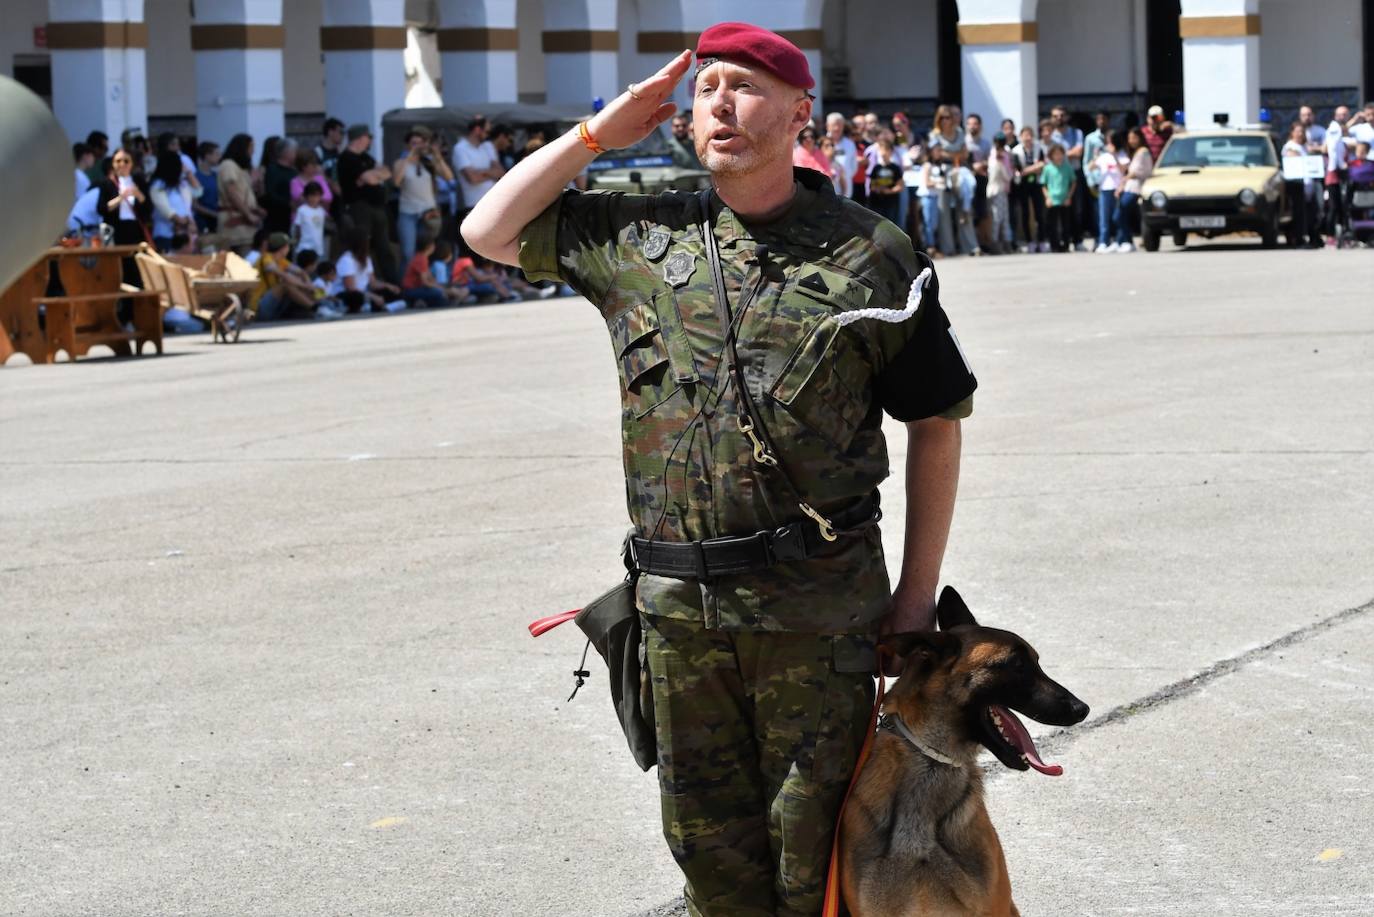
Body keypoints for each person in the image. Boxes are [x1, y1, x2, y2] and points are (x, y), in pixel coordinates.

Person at [461, 23, 976, 916]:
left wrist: (918, 595)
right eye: (705, 91)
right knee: (710, 863)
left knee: (819, 865)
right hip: (679, 617)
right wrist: (596, 134)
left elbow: (936, 420)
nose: (721, 105)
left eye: (744, 85)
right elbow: (487, 230)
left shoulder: (873, 255)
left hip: (817, 611)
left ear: (799, 110)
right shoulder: (639, 237)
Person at [336, 124, 397, 285]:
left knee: (384, 246)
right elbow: (370, 178)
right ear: (360, 138)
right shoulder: (347, 158)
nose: (369, 141)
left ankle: (393, 282)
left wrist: (374, 176)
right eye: (367, 138)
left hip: (377, 206)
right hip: (359, 207)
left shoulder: (366, 158)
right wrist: (373, 176)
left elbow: (386, 172)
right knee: (364, 244)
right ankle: (365, 282)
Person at [393, 125, 454, 265]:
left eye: (420, 143)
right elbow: (396, 181)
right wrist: (410, 156)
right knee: (408, 252)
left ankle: (425, 280)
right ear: (407, 144)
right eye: (413, 143)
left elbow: (448, 176)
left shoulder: (428, 162)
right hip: (408, 213)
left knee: (428, 251)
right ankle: (408, 284)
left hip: (428, 212)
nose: (417, 146)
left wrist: (437, 156)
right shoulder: (401, 162)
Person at [333, 226, 402, 313]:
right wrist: (372, 296)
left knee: (392, 291)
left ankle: (372, 306)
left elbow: (373, 283)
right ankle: (375, 306)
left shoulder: (366, 259)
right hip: (348, 294)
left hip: (364, 293)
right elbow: (351, 288)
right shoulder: (346, 260)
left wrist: (388, 286)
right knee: (356, 297)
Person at [216, 134, 266, 251]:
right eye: (251, 147)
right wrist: (248, 214)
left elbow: (244, 193)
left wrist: (256, 208)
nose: (253, 151)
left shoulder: (240, 168)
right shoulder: (228, 165)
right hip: (235, 218)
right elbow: (231, 192)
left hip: (245, 220)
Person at [148, 149, 201, 253]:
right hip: (166, 235)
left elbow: (198, 192)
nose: (182, 166)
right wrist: (184, 221)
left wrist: (189, 173)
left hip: (185, 235)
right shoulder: (158, 185)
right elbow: (167, 211)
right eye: (180, 163)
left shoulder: (181, 184)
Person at [1049, 105, 1087, 249]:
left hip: (1074, 174)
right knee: (1059, 210)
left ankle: (1077, 241)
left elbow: (1079, 152)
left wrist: (1060, 155)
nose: (1059, 118)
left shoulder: (1076, 133)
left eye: (1062, 115)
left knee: (1077, 209)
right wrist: (1066, 154)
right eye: (1056, 116)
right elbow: (1050, 157)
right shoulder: (1051, 136)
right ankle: (1062, 241)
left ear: (1067, 117)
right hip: (1058, 176)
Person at [452, 116, 504, 218]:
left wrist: (480, 172)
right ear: (477, 130)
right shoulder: (460, 148)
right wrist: (491, 173)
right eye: (487, 132)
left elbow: (501, 173)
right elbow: (473, 178)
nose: (488, 135)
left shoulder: (487, 146)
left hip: (494, 203)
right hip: (475, 206)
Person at [1114, 126, 1152, 252]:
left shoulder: (1143, 152)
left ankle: (1127, 241)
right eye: (1129, 138)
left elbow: (1139, 171)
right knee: (1121, 215)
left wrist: (1124, 180)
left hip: (1136, 188)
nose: (1131, 141)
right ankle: (1123, 241)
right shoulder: (1135, 153)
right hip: (1130, 187)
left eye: (1134, 138)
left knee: (1119, 214)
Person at [1282, 122, 1320, 248]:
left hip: (1308, 185)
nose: (1300, 134)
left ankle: (1313, 238)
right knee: (1298, 213)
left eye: (1302, 131)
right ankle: (1298, 239)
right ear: (1292, 133)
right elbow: (1292, 159)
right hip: (1296, 185)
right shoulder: (1290, 147)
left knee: (1311, 214)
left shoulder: (1304, 147)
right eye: (1297, 131)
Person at [1090, 130, 1127, 253]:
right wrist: (1095, 156)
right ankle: (1103, 242)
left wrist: (1115, 156)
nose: (1109, 143)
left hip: (1117, 190)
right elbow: (1091, 167)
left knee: (1117, 217)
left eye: (1111, 141)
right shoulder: (1104, 156)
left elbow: (1123, 170)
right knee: (1104, 218)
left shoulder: (1122, 155)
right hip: (1104, 190)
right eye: (1107, 141)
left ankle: (1119, 240)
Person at [1013, 124, 1047, 252]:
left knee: (1040, 213)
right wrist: (1034, 168)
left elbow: (1042, 164)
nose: (1028, 138)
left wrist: (1027, 170)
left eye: (1030, 135)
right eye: (1025, 135)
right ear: (1021, 137)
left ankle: (1042, 240)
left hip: (1037, 183)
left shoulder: (1039, 148)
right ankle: (1030, 241)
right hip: (1022, 185)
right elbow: (1018, 170)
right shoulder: (1016, 150)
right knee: (1025, 213)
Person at [400, 231, 450, 308]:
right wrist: (440, 288)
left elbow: (430, 278)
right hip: (410, 290)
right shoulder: (421, 259)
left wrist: (441, 287)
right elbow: (425, 282)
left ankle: (420, 302)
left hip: (415, 289)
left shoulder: (423, 258)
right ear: (428, 246)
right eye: (433, 244)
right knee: (439, 294)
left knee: (441, 292)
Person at [1041, 143, 1075, 252]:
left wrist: (1069, 196)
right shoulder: (1048, 168)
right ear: (1051, 156)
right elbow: (1044, 185)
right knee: (1052, 224)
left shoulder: (1067, 167)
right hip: (1053, 199)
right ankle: (1054, 245)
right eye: (1055, 154)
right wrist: (1047, 198)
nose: (1058, 156)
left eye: (1060, 154)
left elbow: (1073, 182)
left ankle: (1065, 245)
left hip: (1064, 198)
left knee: (1066, 224)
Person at [865, 130, 903, 223]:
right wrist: (878, 189)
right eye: (881, 149)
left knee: (891, 224)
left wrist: (889, 191)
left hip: (891, 202)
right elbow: (872, 185)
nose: (883, 152)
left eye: (886, 149)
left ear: (891, 151)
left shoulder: (895, 168)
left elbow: (900, 185)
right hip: (877, 202)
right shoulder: (876, 168)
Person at [985, 132, 1014, 254]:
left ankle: (1007, 243)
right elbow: (997, 174)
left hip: (1002, 190)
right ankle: (995, 244)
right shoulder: (993, 156)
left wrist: (1002, 161)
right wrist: (999, 162)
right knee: (997, 218)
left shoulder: (1006, 155)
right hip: (995, 190)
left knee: (1004, 218)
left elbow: (1008, 175)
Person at [292, 181, 329, 257]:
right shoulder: (302, 210)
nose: (314, 198)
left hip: (317, 248)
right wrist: (297, 242)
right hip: (304, 247)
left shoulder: (321, 211)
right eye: (312, 196)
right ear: (306, 196)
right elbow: (298, 228)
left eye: (317, 196)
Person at [825, 112, 856, 199]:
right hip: (826, 192)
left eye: (840, 125)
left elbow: (854, 166)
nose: (837, 128)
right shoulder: (821, 143)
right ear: (827, 126)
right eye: (834, 125)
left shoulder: (849, 144)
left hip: (846, 193)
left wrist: (845, 176)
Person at [193, 142, 220, 234]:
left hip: (217, 220)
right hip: (203, 221)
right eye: (216, 154)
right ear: (207, 156)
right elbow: (195, 204)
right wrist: (214, 214)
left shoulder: (216, 176)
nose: (219, 157)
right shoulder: (196, 177)